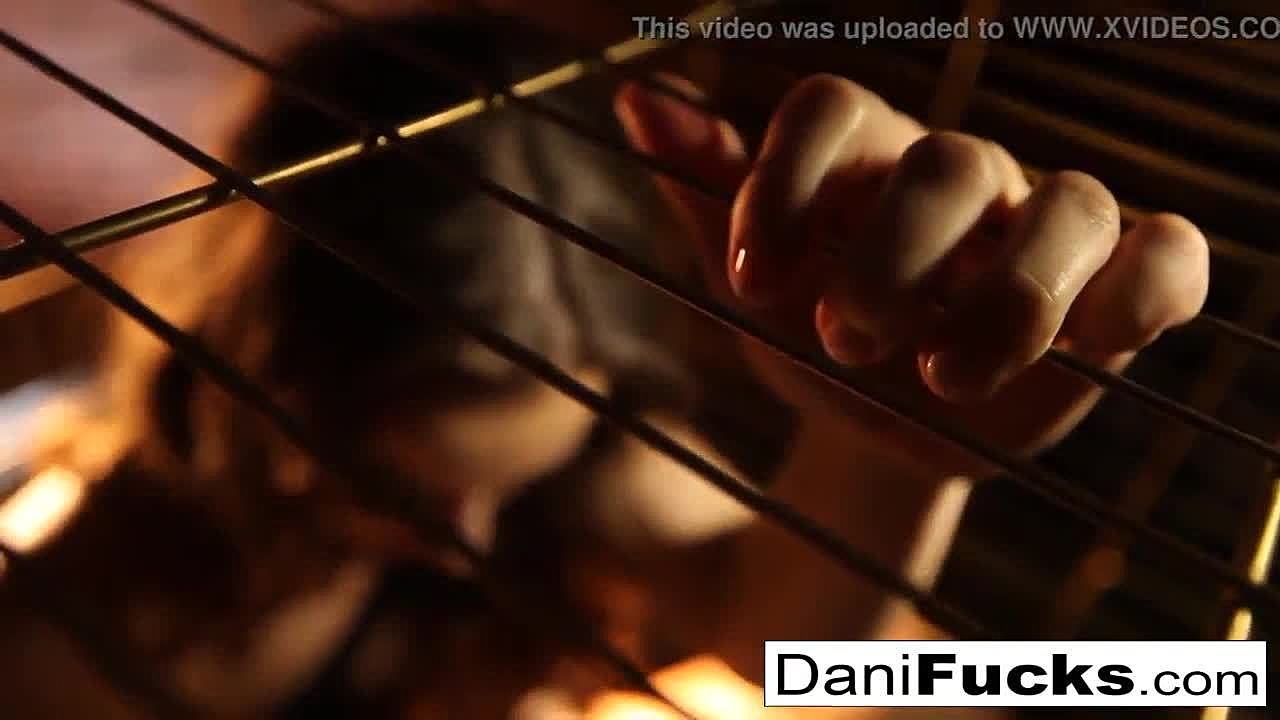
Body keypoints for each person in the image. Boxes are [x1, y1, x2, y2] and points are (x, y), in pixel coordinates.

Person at [5, 11, 1208, 719]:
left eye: (514, 476)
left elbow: (829, 674)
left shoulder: (576, 476)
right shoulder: (64, 611)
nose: (470, 542)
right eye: (398, 489)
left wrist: (885, 472)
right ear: (260, 393)